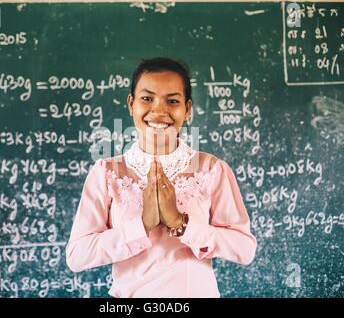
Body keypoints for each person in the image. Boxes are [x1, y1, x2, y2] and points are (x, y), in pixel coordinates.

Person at [65, 57, 257, 298]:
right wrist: (141, 225)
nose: (158, 111)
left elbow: (244, 248)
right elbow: (77, 256)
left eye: (172, 101)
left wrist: (180, 223)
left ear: (187, 110)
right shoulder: (106, 172)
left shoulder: (212, 169)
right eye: (147, 98)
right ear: (131, 104)